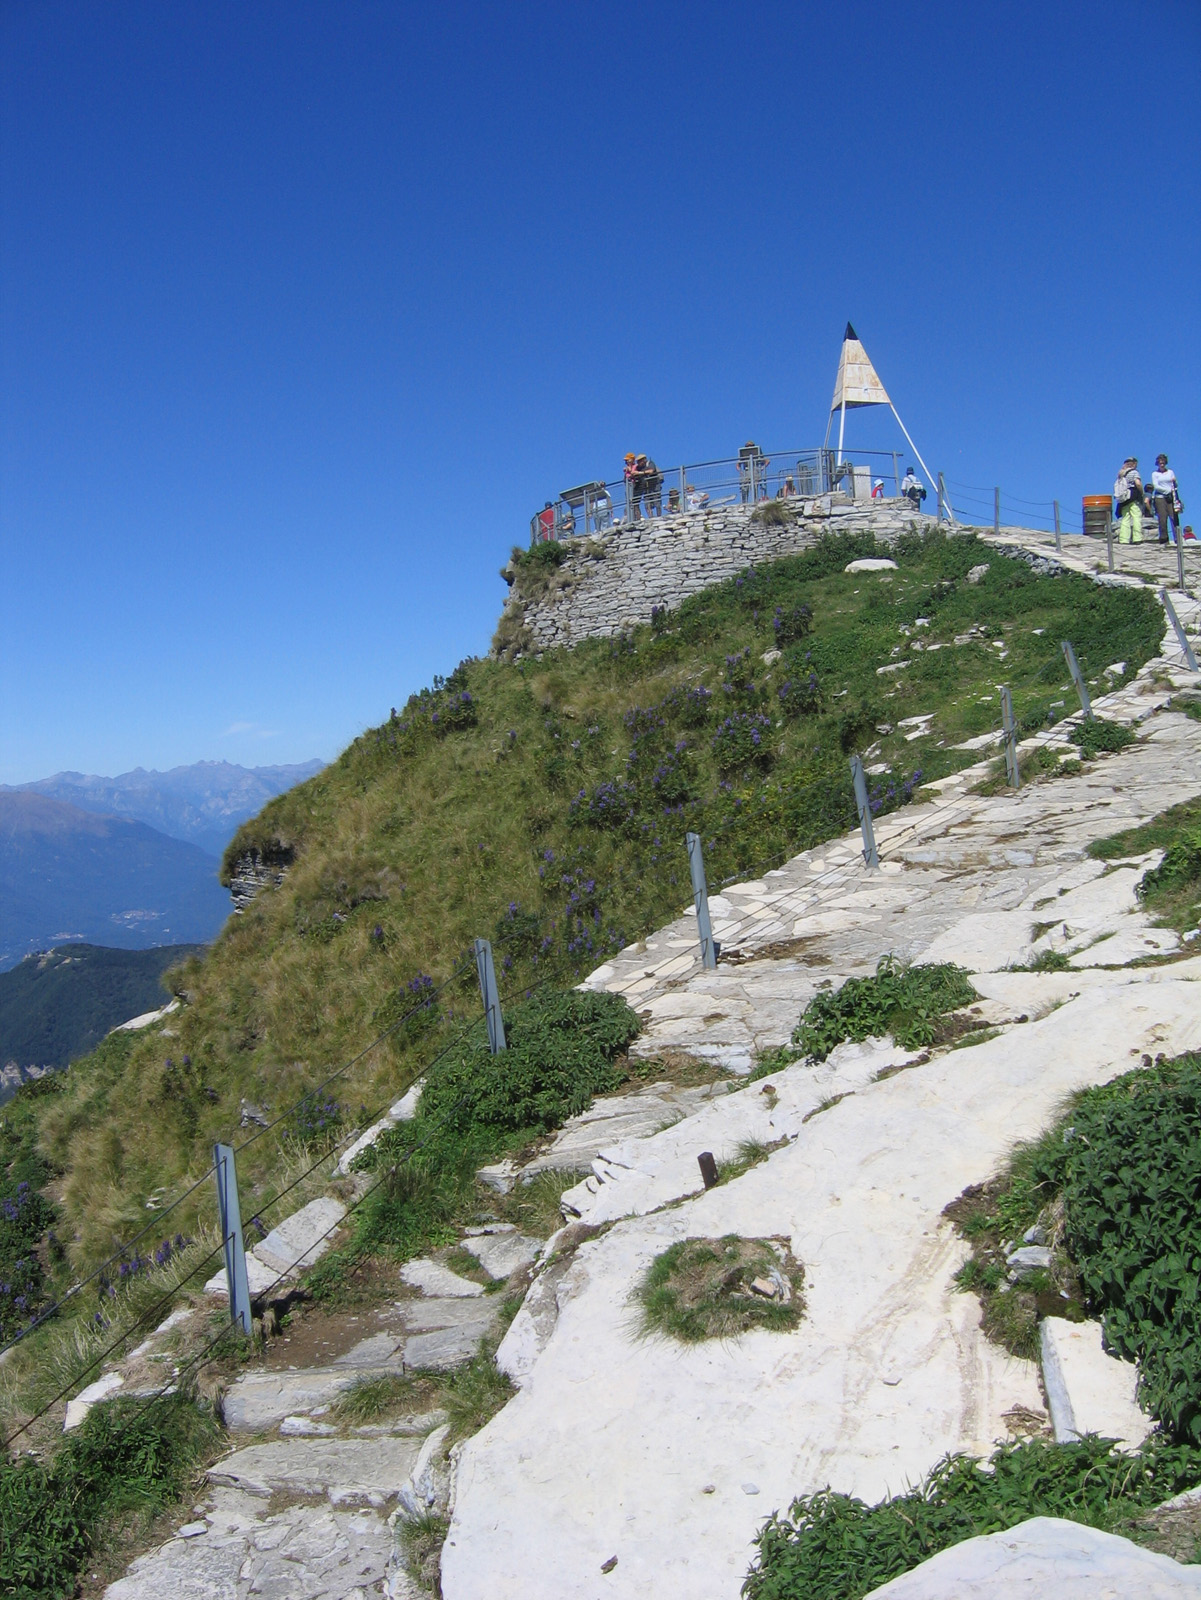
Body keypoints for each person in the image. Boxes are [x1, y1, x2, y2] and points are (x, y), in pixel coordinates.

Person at [1150, 454, 1180, 545]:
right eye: (1160, 463)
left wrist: (1175, 483)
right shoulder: (1155, 474)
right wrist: (1167, 491)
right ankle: (1164, 539)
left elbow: (1175, 484)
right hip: (1160, 497)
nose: (1161, 465)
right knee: (1162, 518)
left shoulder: (1170, 472)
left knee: (1174, 517)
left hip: (1171, 497)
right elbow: (1156, 486)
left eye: (1163, 463)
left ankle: (1177, 538)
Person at [1114, 457, 1144, 543]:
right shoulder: (1134, 472)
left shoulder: (1120, 474)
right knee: (1136, 516)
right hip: (1133, 495)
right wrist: (1142, 492)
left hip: (1123, 498)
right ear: (1134, 464)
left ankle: (1124, 539)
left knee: (1125, 518)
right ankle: (1137, 538)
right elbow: (1138, 483)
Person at [623, 453, 641, 521]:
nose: (627, 461)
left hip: (634, 486)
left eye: (628, 460)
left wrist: (629, 470)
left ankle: (638, 518)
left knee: (635, 503)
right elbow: (625, 479)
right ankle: (632, 518)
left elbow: (635, 474)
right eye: (626, 460)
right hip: (628, 487)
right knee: (629, 503)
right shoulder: (627, 468)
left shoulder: (636, 466)